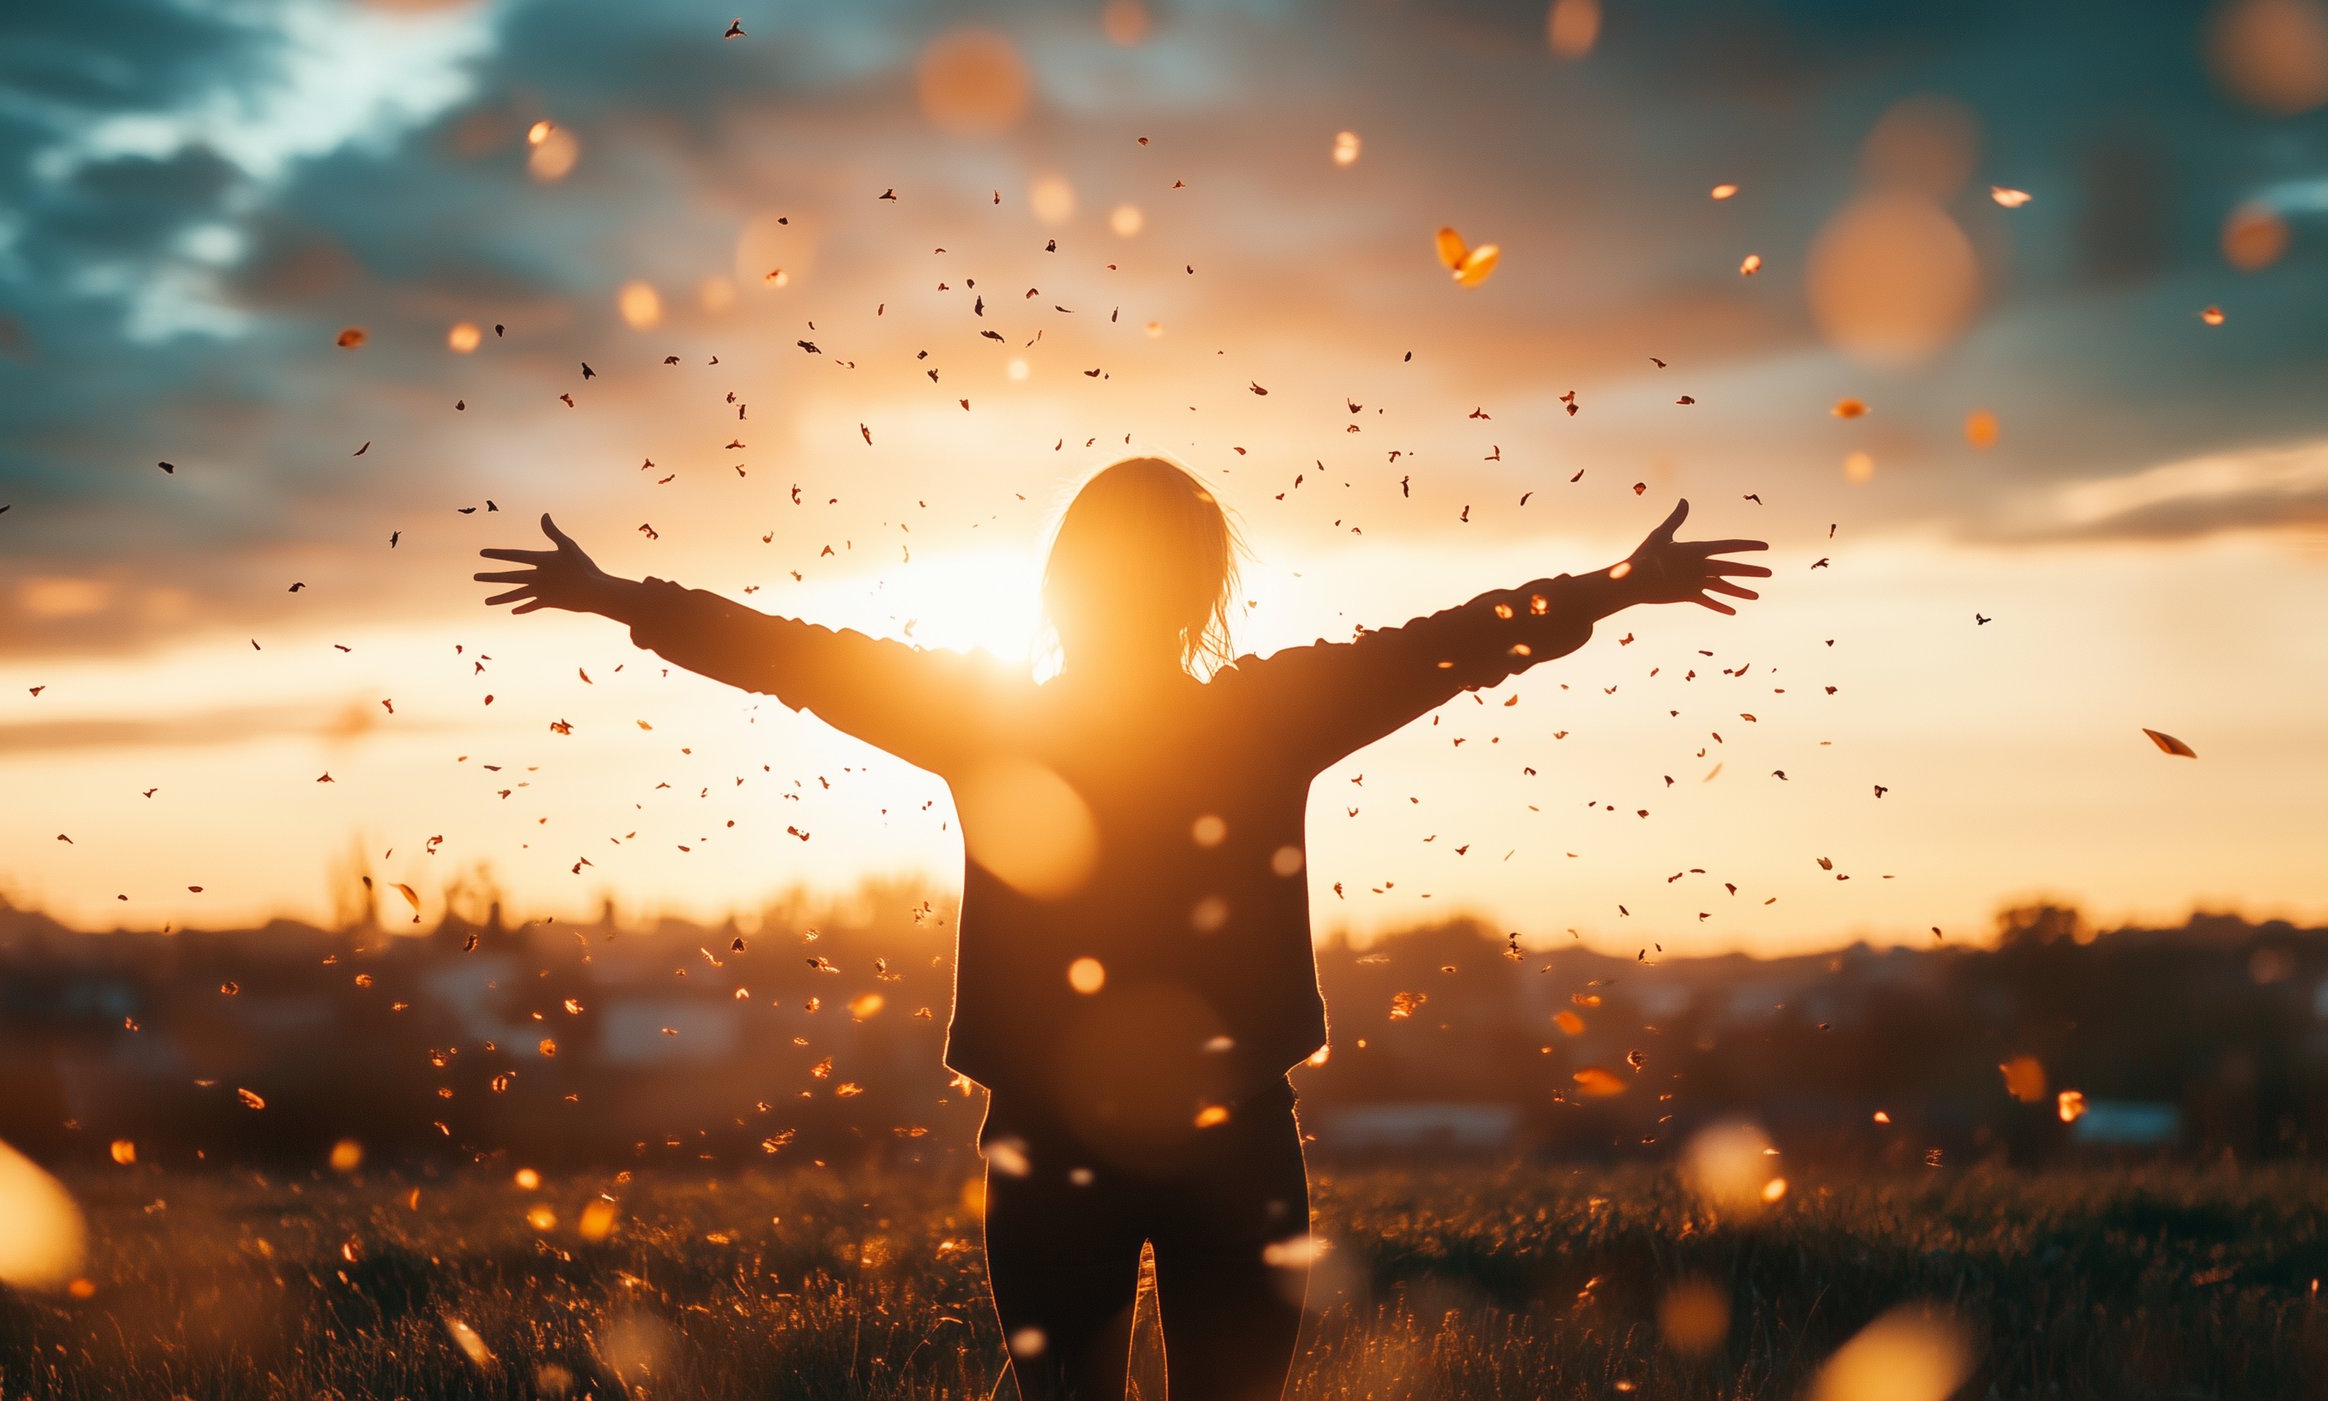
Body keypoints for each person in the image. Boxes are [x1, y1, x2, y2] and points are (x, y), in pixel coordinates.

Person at [476, 456, 1768, 1399]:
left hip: (1050, 1142)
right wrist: (1616, 583)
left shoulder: (989, 718)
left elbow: (796, 655)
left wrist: (620, 595)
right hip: (1236, 1133)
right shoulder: (1266, 710)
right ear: (1205, 585)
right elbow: (1452, 644)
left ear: (1062, 583)